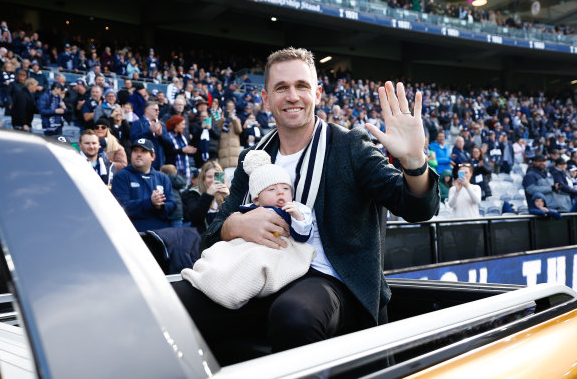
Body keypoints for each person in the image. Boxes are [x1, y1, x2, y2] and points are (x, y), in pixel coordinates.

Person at [172, 47, 438, 360]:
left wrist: (414, 161)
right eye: (281, 88)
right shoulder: (254, 156)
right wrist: (236, 224)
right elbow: (212, 234)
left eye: (302, 86)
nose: (293, 96)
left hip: (332, 284)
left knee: (294, 315)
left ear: (318, 93)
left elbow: (417, 207)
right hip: (261, 275)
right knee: (169, 305)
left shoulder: (349, 145)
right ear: (266, 98)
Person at [182, 150, 315, 309]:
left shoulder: (295, 209)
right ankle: (208, 273)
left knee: (255, 260)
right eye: (272, 189)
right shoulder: (248, 208)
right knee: (221, 250)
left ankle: (231, 289)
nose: (280, 192)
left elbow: (304, 234)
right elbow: (208, 221)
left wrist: (298, 217)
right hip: (245, 244)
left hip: (274, 248)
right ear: (257, 199)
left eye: (286, 189)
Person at [111, 138, 176, 232]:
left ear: (153, 156)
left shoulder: (162, 178)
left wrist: (160, 206)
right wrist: (150, 202)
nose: (138, 154)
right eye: (135, 151)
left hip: (161, 234)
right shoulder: (122, 176)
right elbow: (121, 207)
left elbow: (172, 204)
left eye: (144, 151)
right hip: (134, 233)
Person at [181, 161, 229, 234]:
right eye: (209, 177)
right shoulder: (194, 193)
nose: (213, 180)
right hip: (203, 239)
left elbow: (236, 217)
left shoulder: (227, 192)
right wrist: (208, 194)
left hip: (225, 237)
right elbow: (195, 218)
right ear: (203, 178)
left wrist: (228, 197)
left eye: (216, 176)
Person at [130, 101, 174, 170]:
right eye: (155, 110)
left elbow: (170, 144)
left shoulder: (161, 125)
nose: (158, 112)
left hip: (160, 164)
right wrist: (149, 131)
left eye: (158, 110)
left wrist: (160, 135)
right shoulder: (138, 123)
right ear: (147, 110)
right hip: (143, 164)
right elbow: (134, 140)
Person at [165, 114, 197, 179]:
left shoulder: (182, 137)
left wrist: (190, 150)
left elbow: (184, 149)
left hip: (185, 168)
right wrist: (182, 150)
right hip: (174, 169)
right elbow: (167, 152)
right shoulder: (168, 136)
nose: (184, 126)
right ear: (176, 124)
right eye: (182, 124)